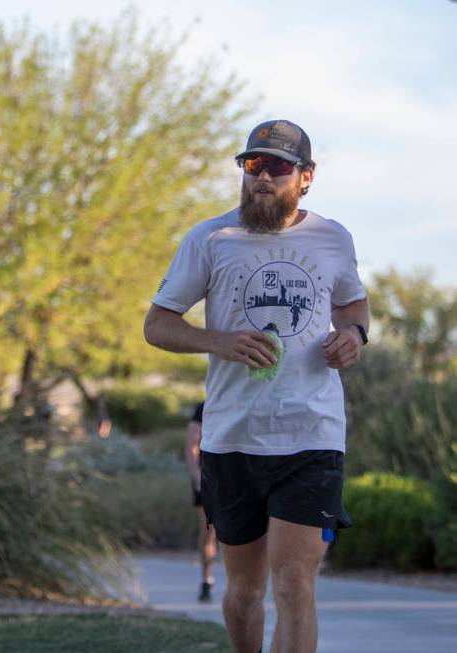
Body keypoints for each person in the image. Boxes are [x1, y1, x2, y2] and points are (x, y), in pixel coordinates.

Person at [143, 119, 369, 653]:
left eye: (277, 167)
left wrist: (355, 335)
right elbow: (157, 325)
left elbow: (353, 304)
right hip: (233, 438)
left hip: (312, 435)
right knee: (246, 591)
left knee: (295, 583)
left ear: (306, 177)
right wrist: (218, 341)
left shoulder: (333, 239)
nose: (261, 177)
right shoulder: (210, 239)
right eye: (252, 166)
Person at [185, 400, 217, 602]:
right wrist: (197, 477)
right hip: (208, 477)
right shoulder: (204, 407)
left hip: (238, 475)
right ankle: (206, 579)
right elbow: (192, 445)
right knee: (208, 532)